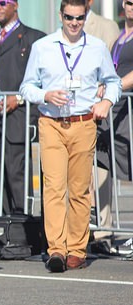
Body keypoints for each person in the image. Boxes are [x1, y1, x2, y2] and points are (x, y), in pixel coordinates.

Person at [20, 0, 121, 272]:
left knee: (79, 189)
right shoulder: (43, 47)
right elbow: (26, 87)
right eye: (69, 17)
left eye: (79, 18)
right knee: (53, 187)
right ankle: (56, 249)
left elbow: (113, 82)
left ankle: (77, 249)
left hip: (84, 122)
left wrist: (107, 102)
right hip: (51, 122)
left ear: (85, 15)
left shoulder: (97, 47)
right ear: (60, 15)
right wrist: (45, 94)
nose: (74, 23)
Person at [0, 0, 45, 218]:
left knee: (16, 174)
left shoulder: (34, 38)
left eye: (3, 2)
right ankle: (5, 228)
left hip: (18, 117)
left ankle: (21, 227)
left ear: (16, 5)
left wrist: (18, 98)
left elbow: (42, 81)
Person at [94, 0, 133, 254]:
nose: (132, 7)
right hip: (116, 111)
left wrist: (114, 87)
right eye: (129, 2)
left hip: (128, 110)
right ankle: (102, 232)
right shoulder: (121, 36)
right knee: (109, 166)